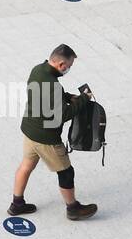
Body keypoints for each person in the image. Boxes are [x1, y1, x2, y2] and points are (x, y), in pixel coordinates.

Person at [11, 44, 98, 220]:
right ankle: (73, 208)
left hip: (29, 130)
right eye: (69, 66)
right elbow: (62, 116)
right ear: (61, 65)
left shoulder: (37, 70)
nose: (69, 69)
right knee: (66, 172)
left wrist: (67, 97)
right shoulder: (54, 86)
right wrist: (82, 99)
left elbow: (46, 94)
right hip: (46, 138)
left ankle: (17, 204)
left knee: (26, 165)